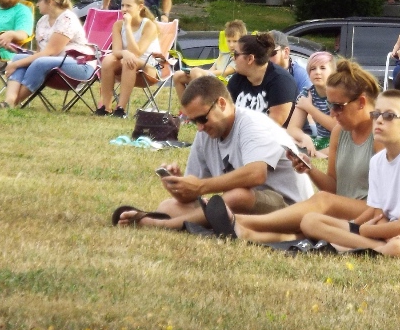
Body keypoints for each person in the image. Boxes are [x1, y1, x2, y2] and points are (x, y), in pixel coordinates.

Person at [211, 60, 384, 243]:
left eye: (338, 106)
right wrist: (310, 170)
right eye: (329, 105)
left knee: (322, 202)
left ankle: (239, 221)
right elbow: (334, 188)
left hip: (373, 212)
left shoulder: (380, 135)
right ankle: (246, 233)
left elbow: (385, 201)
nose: (332, 114)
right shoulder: (339, 132)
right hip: (343, 209)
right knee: (308, 224)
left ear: (361, 102)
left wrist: (351, 220)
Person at [115, 75, 314, 230]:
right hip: (242, 207)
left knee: (237, 196)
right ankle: (198, 221)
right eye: (193, 121)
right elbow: (192, 196)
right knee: (168, 206)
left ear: (221, 104)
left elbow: (256, 174)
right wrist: (178, 186)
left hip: (291, 209)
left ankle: (163, 225)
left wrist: (200, 186)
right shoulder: (205, 133)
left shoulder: (253, 125)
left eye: (202, 118)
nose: (199, 127)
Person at [298, 90, 400, 260]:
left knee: (397, 247)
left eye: (389, 116)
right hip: (385, 228)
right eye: (376, 114)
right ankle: (372, 247)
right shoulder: (377, 161)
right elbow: (379, 212)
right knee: (310, 221)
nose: (379, 120)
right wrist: (360, 227)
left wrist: (365, 230)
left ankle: (350, 245)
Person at [3, 0, 96, 108]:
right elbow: (40, 53)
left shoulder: (67, 19)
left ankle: (11, 104)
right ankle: (9, 100)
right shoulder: (42, 21)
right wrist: (18, 51)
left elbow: (50, 52)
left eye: (39, 0)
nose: (37, 4)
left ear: (50, 1)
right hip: (53, 64)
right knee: (19, 57)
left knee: (38, 62)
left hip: (80, 65)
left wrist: (14, 65)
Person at [94, 0, 161, 118]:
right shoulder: (118, 25)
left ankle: (121, 109)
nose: (124, 9)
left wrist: (128, 27)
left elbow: (137, 52)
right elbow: (116, 52)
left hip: (150, 67)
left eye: (128, 6)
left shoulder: (149, 26)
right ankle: (106, 107)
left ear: (140, 7)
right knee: (108, 60)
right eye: (122, 5)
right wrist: (124, 52)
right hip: (127, 63)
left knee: (130, 61)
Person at [226, 32, 298, 126]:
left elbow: (272, 126)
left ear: (250, 59)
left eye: (236, 54)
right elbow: (226, 115)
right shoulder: (237, 79)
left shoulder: (281, 82)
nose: (233, 58)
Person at [172, 20, 247, 101]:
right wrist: (204, 72)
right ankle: (185, 108)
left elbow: (225, 72)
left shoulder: (239, 57)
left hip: (224, 83)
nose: (231, 45)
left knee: (196, 72)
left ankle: (201, 106)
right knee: (178, 75)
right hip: (214, 79)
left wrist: (204, 73)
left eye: (235, 41)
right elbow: (213, 68)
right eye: (228, 41)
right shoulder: (224, 54)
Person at [287, 51, 338, 156]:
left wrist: (309, 108)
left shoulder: (338, 92)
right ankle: (313, 154)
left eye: (322, 68)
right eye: (313, 69)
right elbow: (292, 128)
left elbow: (335, 127)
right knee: (285, 140)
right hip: (321, 140)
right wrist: (304, 138)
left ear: (333, 72)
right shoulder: (307, 93)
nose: (317, 72)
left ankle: (314, 155)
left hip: (340, 140)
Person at [269, 30, 312, 96]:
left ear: (286, 52)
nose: (266, 58)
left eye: (271, 53)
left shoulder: (300, 76)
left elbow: (308, 101)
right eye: (263, 53)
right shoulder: (261, 73)